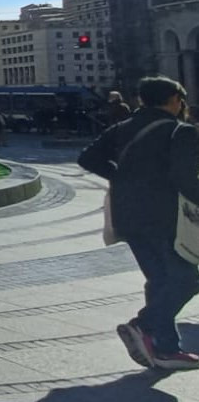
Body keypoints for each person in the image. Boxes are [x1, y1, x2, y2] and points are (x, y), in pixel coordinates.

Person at [78, 76, 199, 369]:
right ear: (173, 99)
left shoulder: (122, 127)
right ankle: (144, 324)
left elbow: (88, 158)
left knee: (159, 279)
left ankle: (165, 349)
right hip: (164, 216)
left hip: (128, 216)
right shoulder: (179, 131)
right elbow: (184, 178)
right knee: (187, 279)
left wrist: (121, 178)